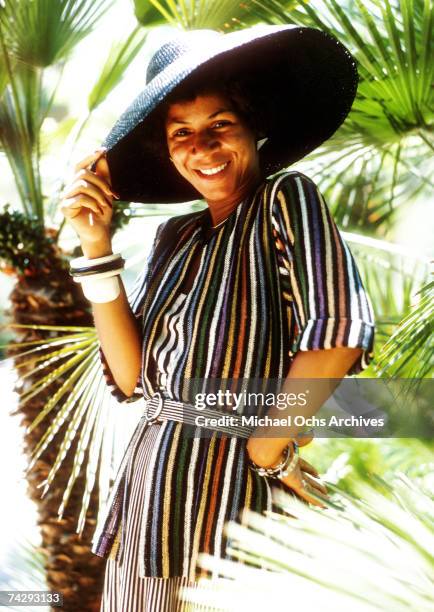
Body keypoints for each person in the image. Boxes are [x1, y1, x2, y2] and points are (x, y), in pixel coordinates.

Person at [60, 24, 375, 612]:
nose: (201, 148)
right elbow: (133, 380)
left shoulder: (285, 199)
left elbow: (338, 329)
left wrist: (266, 447)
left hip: (232, 500)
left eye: (219, 126)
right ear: (167, 149)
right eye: (182, 133)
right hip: (147, 501)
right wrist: (96, 247)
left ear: (255, 127)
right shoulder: (174, 236)